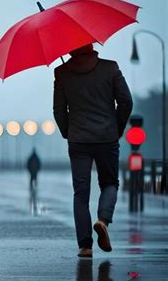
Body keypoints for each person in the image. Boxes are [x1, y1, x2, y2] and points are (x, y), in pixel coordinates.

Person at [53, 44, 133, 258]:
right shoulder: (110, 68)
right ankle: (103, 220)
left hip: (78, 139)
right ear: (91, 45)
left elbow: (59, 110)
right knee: (109, 183)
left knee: (80, 192)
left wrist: (67, 132)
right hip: (107, 136)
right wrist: (117, 127)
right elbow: (126, 101)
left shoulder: (62, 72)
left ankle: (85, 246)